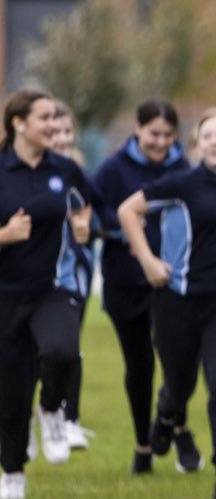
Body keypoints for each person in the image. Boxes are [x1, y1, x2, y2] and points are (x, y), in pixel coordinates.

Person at [117, 106, 216, 498]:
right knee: (179, 387)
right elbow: (127, 211)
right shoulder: (179, 183)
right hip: (176, 300)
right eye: (208, 135)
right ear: (198, 144)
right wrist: (148, 260)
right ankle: (166, 415)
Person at [0, 90, 95, 498]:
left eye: (57, 119)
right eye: (45, 119)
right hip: (4, 296)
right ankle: (12, 475)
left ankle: (53, 408)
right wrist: (4, 235)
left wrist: (83, 223)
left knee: (62, 352)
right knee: (11, 395)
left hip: (51, 288)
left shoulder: (65, 169)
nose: (54, 127)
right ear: (18, 123)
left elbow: (87, 204)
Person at [92, 99, 192, 474]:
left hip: (171, 284)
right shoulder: (113, 168)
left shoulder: (184, 169)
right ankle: (143, 445)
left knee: (177, 363)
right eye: (153, 134)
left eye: (168, 135)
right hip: (124, 281)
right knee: (139, 366)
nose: (160, 141)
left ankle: (173, 426)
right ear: (137, 129)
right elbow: (96, 208)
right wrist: (126, 237)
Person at [45, 100, 94, 453]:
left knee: (67, 348)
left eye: (67, 130)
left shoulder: (74, 171)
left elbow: (94, 210)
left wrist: (88, 227)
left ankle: (67, 418)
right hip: (21, 279)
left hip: (69, 275)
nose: (61, 136)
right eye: (53, 129)